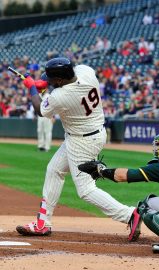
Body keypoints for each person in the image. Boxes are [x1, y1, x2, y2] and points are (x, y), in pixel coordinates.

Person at [16, 57, 141, 242]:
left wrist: (33, 88)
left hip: (82, 142)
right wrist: (44, 85)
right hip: (90, 133)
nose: (50, 81)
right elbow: (56, 86)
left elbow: (39, 109)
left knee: (86, 190)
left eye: (52, 80)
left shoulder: (62, 96)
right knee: (54, 170)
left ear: (59, 81)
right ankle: (43, 222)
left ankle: (129, 214)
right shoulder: (85, 71)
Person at [37, 88, 54, 152]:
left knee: (47, 131)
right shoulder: (39, 95)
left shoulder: (49, 96)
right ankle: (41, 146)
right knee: (39, 131)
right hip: (40, 115)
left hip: (48, 116)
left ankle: (47, 147)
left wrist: (53, 116)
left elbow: (53, 107)